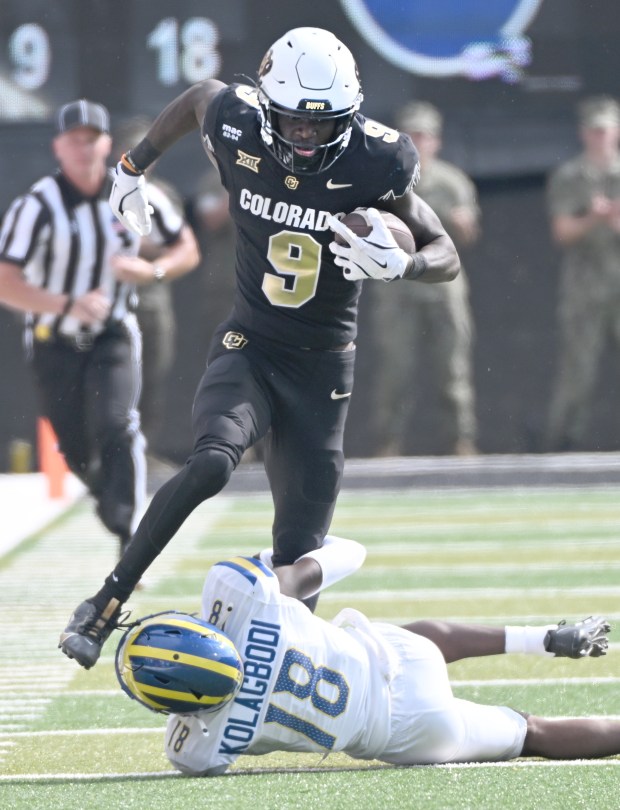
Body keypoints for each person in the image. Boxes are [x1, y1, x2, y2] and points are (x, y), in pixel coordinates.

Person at [59, 27, 460, 670]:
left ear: (348, 115)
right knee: (213, 461)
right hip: (251, 344)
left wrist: (402, 267)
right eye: (293, 121)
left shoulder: (378, 161)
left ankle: (276, 678)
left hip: (327, 364)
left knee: (300, 558)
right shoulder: (239, 123)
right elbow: (199, 96)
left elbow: (446, 254)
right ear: (268, 108)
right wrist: (133, 166)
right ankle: (104, 602)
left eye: (319, 123)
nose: (304, 136)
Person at [112, 536, 614, 774]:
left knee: (532, 734)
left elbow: (196, 749)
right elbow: (350, 551)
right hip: (394, 660)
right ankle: (545, 638)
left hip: (409, 734)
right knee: (404, 640)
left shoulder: (198, 747)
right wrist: (278, 562)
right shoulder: (245, 598)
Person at [0, 99, 199, 559]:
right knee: (76, 450)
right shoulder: (38, 205)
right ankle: (112, 507)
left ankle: (133, 540)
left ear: (107, 145)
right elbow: (6, 280)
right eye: (75, 141)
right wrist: (66, 302)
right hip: (54, 339)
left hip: (113, 332)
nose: (84, 150)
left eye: (93, 140)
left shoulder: (133, 192)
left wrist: (154, 273)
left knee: (118, 423)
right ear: (58, 147)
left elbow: (184, 246)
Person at [373, 101, 481, 457]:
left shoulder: (452, 183)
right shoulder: (381, 179)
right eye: (411, 135)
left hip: (443, 284)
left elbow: (469, 235)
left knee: (453, 367)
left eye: (424, 135)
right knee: (395, 368)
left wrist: (464, 224)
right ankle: (388, 443)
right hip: (397, 283)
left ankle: (460, 440)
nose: (418, 142)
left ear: (437, 141)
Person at [112, 116, 200, 469]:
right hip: (107, 304)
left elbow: (175, 247)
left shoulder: (161, 196)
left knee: (151, 382)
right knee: (112, 383)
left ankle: (140, 454)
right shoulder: (102, 189)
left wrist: (151, 266)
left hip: (151, 302)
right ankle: (108, 456)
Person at [546, 95, 620, 452]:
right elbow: (562, 232)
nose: (599, 137)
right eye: (593, 131)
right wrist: (593, 218)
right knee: (578, 370)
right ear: (583, 134)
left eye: (605, 130)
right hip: (585, 287)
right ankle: (563, 443)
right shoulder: (571, 177)